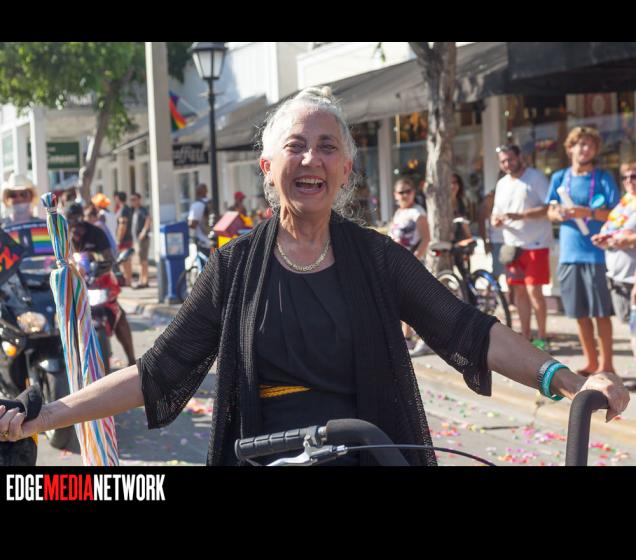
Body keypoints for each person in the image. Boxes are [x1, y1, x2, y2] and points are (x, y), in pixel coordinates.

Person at [1, 87, 628, 466]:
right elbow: (157, 372)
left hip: (369, 452)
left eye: (328, 147)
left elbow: (469, 330)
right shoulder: (233, 267)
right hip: (265, 456)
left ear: (346, 169)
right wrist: (47, 413)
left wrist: (571, 380)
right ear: (267, 167)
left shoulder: (377, 259)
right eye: (297, 146)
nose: (312, 159)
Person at [545, 126, 620, 375]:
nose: (585, 149)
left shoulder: (603, 178)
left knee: (601, 312)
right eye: (581, 144)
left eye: (590, 145)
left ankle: (607, 365)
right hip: (569, 254)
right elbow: (550, 210)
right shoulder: (559, 177)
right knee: (579, 313)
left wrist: (585, 212)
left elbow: (615, 214)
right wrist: (558, 213)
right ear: (570, 148)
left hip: (596, 254)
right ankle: (591, 362)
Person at [491, 144, 553, 350]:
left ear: (520, 157)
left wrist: (521, 216)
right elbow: (496, 213)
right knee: (519, 293)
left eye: (510, 159)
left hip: (536, 244)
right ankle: (526, 337)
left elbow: (549, 208)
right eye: (503, 161)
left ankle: (542, 337)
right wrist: (495, 221)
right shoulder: (501, 184)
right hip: (512, 246)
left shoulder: (535, 178)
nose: (507, 164)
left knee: (535, 291)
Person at [64, 203, 136, 367]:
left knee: (119, 314)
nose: (74, 224)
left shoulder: (96, 232)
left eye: (77, 219)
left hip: (96, 282)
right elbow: (51, 261)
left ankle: (132, 361)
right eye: (70, 220)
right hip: (72, 286)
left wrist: (99, 261)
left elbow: (109, 257)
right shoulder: (61, 238)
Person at [592, 159, 636, 361]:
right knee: (631, 329)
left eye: (634, 176)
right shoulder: (623, 204)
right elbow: (611, 230)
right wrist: (604, 239)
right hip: (619, 276)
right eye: (625, 177)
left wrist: (630, 239)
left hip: (633, 278)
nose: (629, 181)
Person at [388, 176, 431, 357]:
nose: (405, 195)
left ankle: (419, 339)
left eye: (408, 191)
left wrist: (413, 260)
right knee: (401, 302)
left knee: (412, 303)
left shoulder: (417, 212)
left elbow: (426, 239)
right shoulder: (399, 213)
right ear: (395, 195)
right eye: (401, 192)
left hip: (412, 263)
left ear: (414, 193)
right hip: (396, 263)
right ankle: (406, 338)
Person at [130, 192, 152, 289]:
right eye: (131, 200)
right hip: (137, 239)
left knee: (143, 261)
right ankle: (143, 280)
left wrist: (144, 231)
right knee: (140, 260)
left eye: (134, 199)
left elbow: (148, 219)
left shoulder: (143, 210)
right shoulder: (135, 210)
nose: (132, 202)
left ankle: (143, 281)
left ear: (139, 200)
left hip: (143, 239)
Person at [114, 191, 133, 287]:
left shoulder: (124, 210)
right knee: (126, 260)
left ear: (118, 198)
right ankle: (127, 279)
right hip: (127, 238)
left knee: (125, 260)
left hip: (124, 239)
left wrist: (119, 239)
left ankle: (128, 280)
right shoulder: (126, 209)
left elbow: (122, 226)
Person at [188, 183, 212, 252]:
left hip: (203, 242)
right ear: (206, 191)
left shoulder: (196, 205)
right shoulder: (212, 203)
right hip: (214, 241)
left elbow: (192, 224)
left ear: (196, 193)